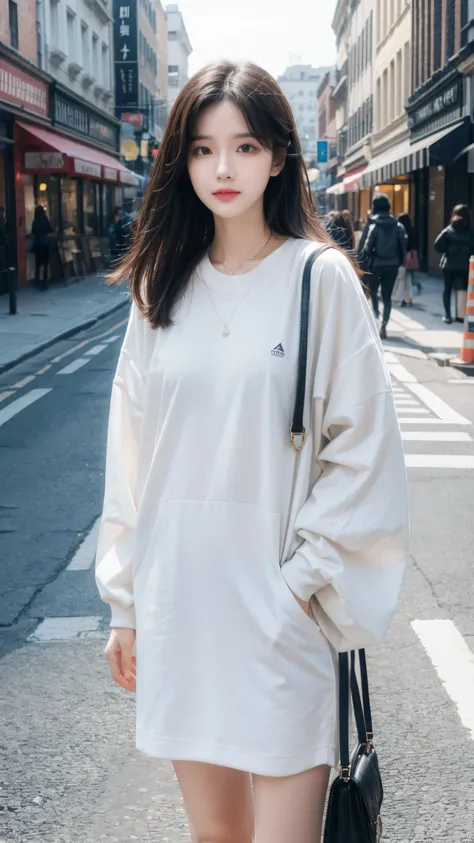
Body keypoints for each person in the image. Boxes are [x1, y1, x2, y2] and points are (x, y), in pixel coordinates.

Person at [95, 61, 409, 843]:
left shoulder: (320, 280)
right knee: (217, 839)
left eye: (243, 146)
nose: (223, 168)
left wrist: (298, 586)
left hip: (276, 615)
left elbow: (365, 448)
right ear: (181, 163)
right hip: (182, 610)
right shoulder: (158, 289)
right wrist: (127, 604)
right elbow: (131, 460)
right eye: (202, 150)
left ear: (279, 156)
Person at [362, 193, 407, 339]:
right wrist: (401, 263)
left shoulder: (373, 225)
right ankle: (384, 324)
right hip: (392, 265)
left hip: (376, 265)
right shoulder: (398, 226)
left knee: (374, 292)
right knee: (387, 297)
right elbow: (403, 246)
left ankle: (376, 316)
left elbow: (367, 248)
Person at [434, 204, 474, 324]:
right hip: (465, 265)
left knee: (447, 289)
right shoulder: (471, 231)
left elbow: (437, 245)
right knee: (463, 289)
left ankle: (447, 315)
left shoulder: (450, 229)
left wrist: (448, 248)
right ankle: (461, 315)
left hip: (449, 264)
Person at [32, 205, 52, 291]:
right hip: (45, 243)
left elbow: (33, 231)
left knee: (38, 264)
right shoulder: (45, 219)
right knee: (45, 264)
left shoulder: (35, 221)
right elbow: (50, 229)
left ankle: (37, 281)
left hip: (38, 243)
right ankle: (44, 282)